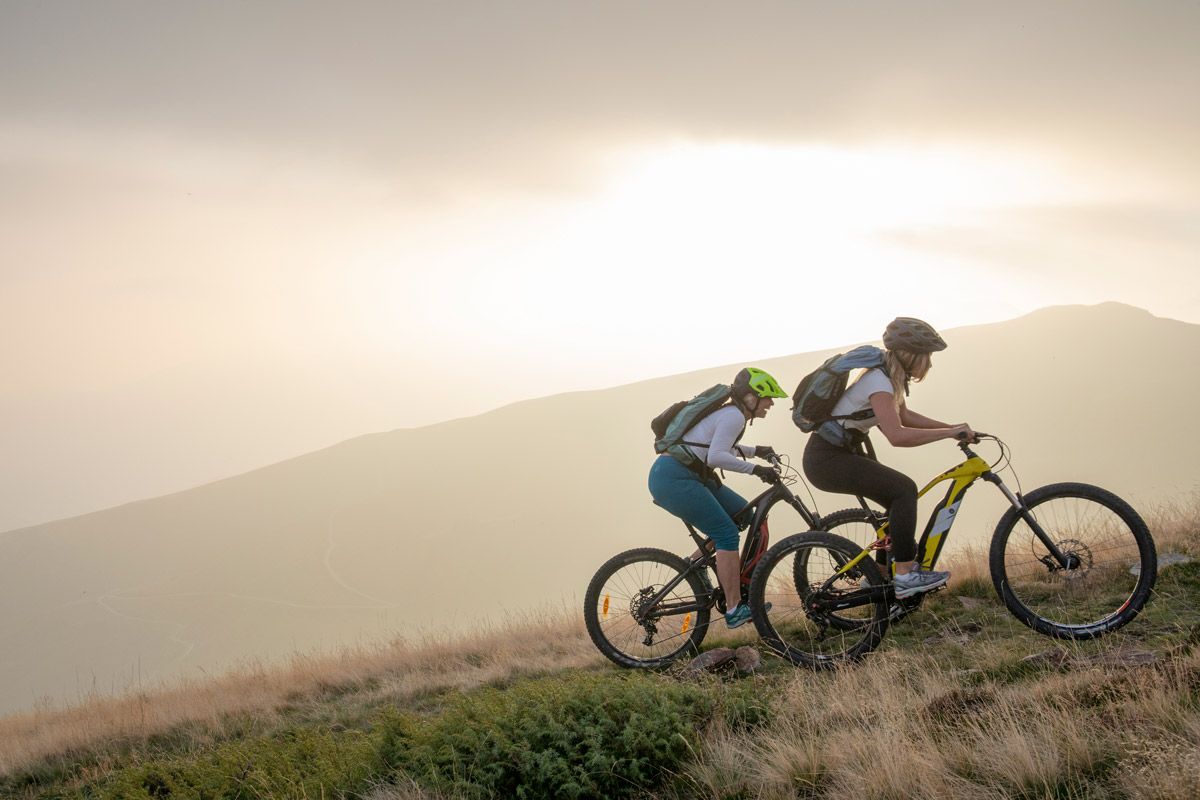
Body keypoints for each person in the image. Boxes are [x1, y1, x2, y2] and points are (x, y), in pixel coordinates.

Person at [802, 317, 976, 598]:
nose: (929, 364)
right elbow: (897, 435)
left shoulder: (887, 379)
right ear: (911, 355)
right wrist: (947, 433)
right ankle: (906, 575)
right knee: (904, 490)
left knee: (892, 508)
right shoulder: (879, 382)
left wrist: (952, 428)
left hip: (840, 453)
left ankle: (879, 578)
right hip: (826, 459)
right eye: (927, 356)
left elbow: (904, 416)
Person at [647, 367, 787, 628]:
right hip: (674, 478)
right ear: (751, 397)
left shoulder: (732, 415)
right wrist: (756, 470)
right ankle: (734, 609)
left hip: (686, 476)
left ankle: (695, 564)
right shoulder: (733, 416)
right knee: (726, 534)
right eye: (767, 398)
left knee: (743, 515)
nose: (770, 404)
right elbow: (716, 457)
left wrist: (758, 451)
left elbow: (715, 445)